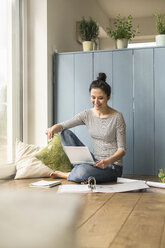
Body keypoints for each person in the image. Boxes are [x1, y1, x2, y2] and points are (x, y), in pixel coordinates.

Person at [45, 73, 126, 183]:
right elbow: (64, 125)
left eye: (100, 98)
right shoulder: (87, 114)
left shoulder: (117, 117)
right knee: (65, 133)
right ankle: (82, 172)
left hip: (112, 167)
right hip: (94, 162)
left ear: (108, 97)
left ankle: (70, 174)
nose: (96, 102)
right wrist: (53, 128)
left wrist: (106, 162)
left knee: (83, 172)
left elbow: (122, 150)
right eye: (93, 97)